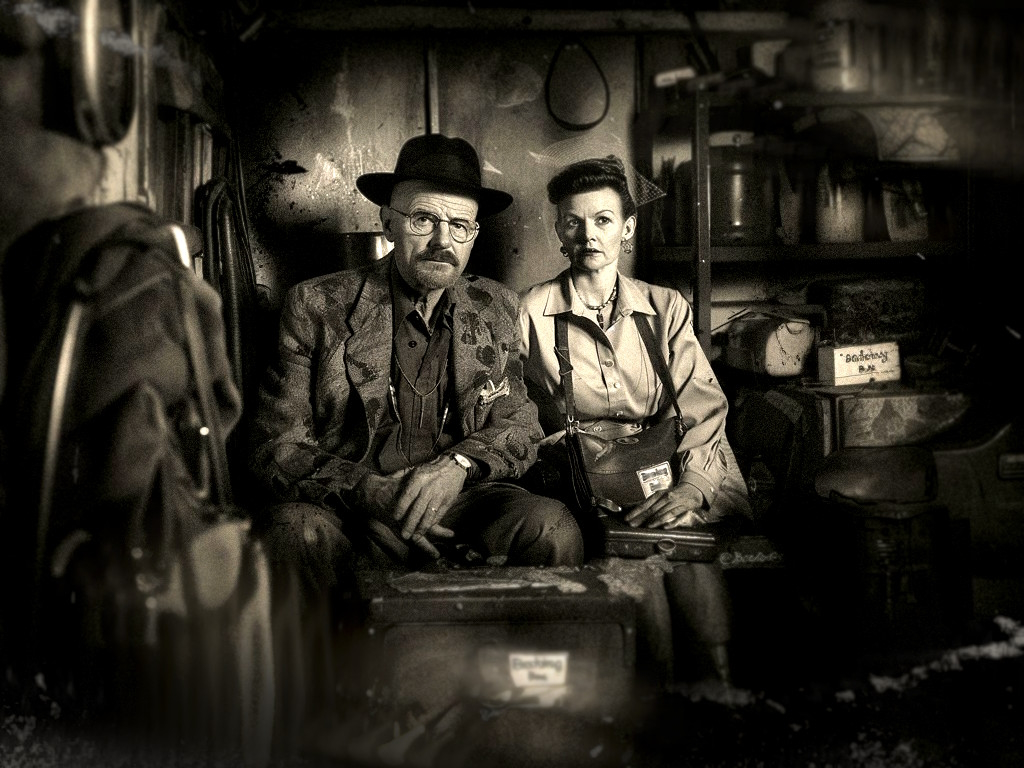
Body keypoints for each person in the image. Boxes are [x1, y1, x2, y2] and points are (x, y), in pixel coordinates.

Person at [250, 133, 584, 585]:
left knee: (551, 528)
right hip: (351, 505)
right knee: (290, 533)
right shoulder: (316, 305)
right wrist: (369, 492)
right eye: (423, 219)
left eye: (460, 226)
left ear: (473, 235)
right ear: (388, 223)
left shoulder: (497, 306)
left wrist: (458, 466)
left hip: (462, 501)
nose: (442, 241)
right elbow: (274, 448)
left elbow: (521, 426)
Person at [518, 154, 751, 685]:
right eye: (573, 221)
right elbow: (515, 413)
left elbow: (701, 408)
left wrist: (690, 489)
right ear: (559, 231)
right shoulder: (528, 311)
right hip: (582, 478)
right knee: (630, 551)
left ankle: (718, 686)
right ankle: (658, 690)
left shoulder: (665, 307)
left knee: (682, 533)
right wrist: (563, 464)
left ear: (627, 228)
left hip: (667, 465)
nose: (588, 234)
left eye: (603, 220)